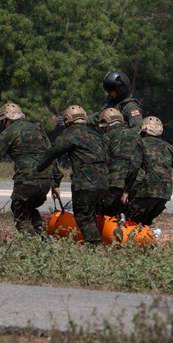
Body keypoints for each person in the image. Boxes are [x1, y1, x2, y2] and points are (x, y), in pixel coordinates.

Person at [0, 103, 61, 236]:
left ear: (6, 119)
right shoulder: (37, 129)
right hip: (46, 179)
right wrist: (55, 184)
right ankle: (44, 241)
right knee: (29, 209)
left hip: (26, 179)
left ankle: (32, 245)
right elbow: (51, 154)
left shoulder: (8, 133)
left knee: (20, 213)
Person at [36, 105, 109, 246]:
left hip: (85, 183)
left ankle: (96, 248)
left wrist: (38, 168)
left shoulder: (71, 133)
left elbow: (53, 152)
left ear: (68, 120)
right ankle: (102, 244)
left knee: (83, 216)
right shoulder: (95, 134)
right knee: (93, 215)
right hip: (104, 182)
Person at [124, 116, 173, 226]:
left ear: (143, 129)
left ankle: (128, 241)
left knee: (131, 222)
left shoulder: (140, 143)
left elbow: (133, 168)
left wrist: (126, 191)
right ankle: (147, 241)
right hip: (164, 194)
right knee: (145, 224)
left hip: (144, 192)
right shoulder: (168, 147)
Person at [96, 107, 142, 217]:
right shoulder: (137, 135)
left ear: (107, 123)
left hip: (115, 183)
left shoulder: (106, 137)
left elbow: (101, 162)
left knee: (104, 214)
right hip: (136, 183)